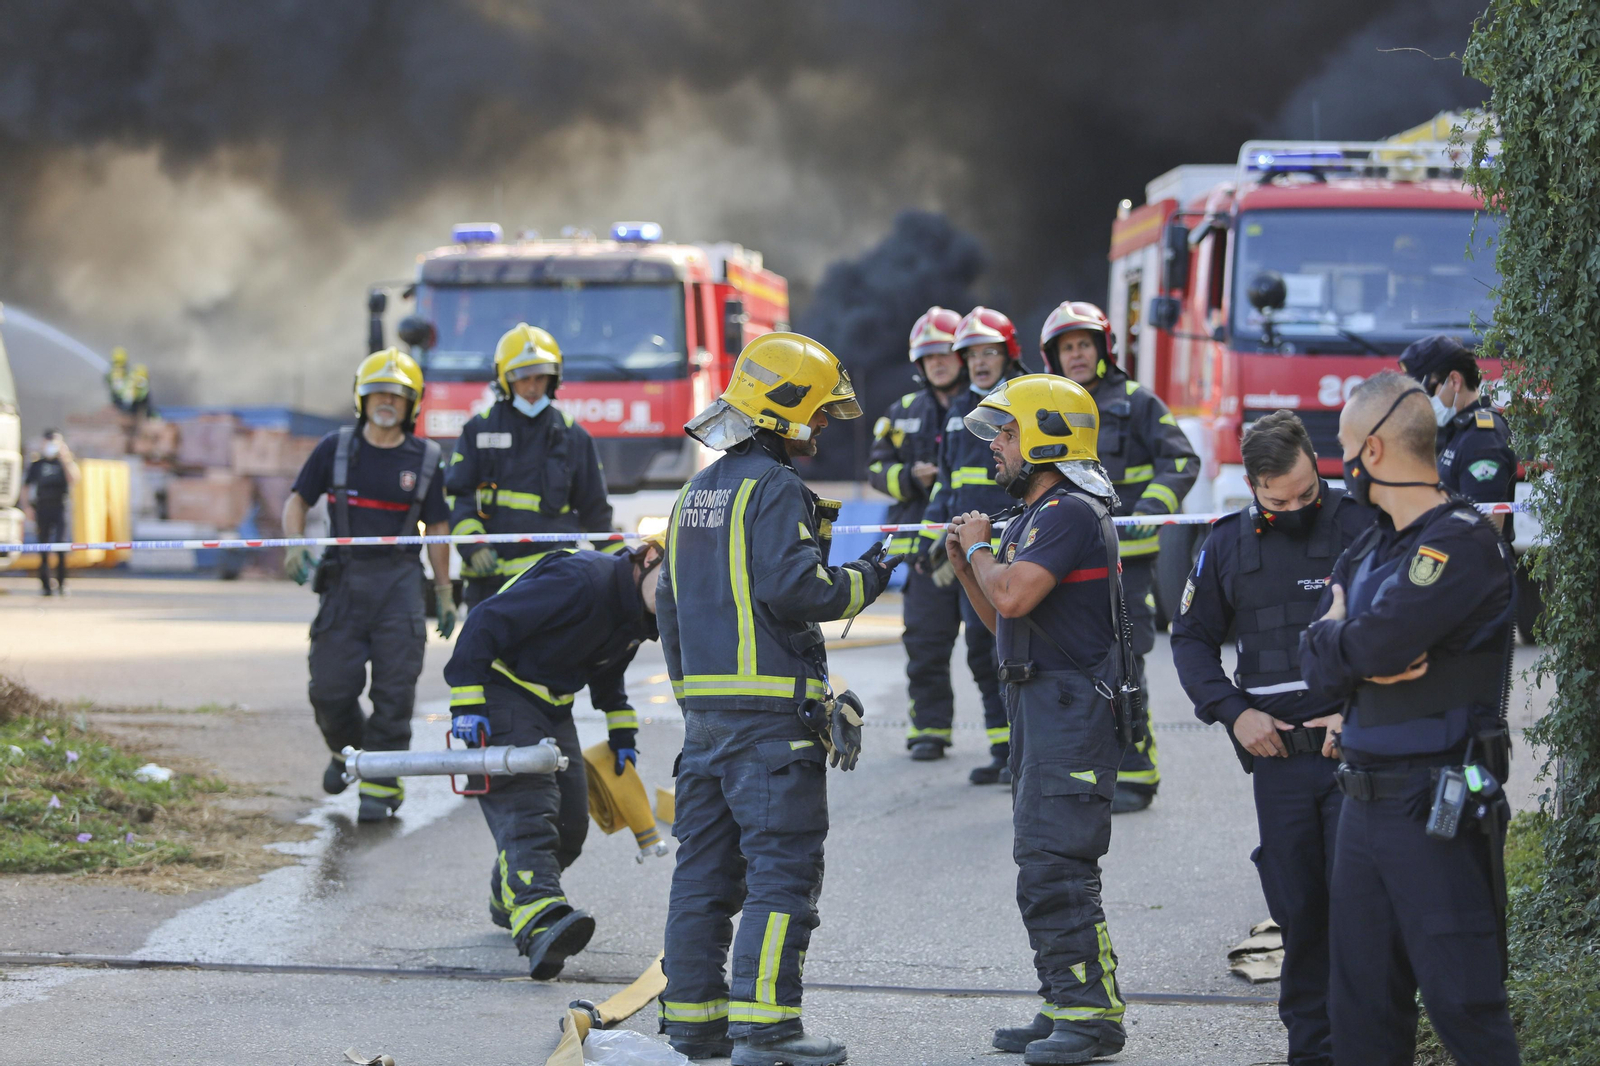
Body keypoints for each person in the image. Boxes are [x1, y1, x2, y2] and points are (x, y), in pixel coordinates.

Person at [656, 332, 901, 1066]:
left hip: (704, 724)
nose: (824, 425)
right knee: (780, 875)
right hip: (769, 730)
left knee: (703, 874)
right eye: (820, 412)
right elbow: (799, 589)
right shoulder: (777, 488)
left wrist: (695, 694)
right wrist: (870, 577)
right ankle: (767, 1031)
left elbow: (667, 607)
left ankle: (695, 1023)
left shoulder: (695, 493)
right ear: (785, 407)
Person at [1300, 371, 1519, 1066]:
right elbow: (1317, 662)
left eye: (1342, 449)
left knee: (1466, 1008)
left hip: (1435, 809)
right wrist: (1350, 645)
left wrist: (1351, 642)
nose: (1340, 468)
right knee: (1360, 1015)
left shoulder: (1460, 543)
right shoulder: (1370, 547)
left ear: (1372, 452)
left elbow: (1370, 645)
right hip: (1361, 812)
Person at [1169, 411, 1372, 1066]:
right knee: (1302, 916)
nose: (1295, 510)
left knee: (1364, 915)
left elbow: (1405, 630)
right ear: (1253, 486)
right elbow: (1193, 640)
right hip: (1278, 761)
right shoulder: (1227, 542)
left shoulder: (1363, 525)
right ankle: (1311, 1053)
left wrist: (1363, 712)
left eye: (1307, 495)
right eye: (1278, 501)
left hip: (1359, 754)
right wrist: (1233, 713)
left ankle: (1369, 1048)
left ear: (1318, 466)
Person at [947, 373, 1133, 1065]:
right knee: (1040, 863)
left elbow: (1017, 594)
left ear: (1048, 435)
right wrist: (968, 565)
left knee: (1059, 866)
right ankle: (1065, 1002)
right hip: (1041, 704)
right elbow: (1002, 617)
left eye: (1008, 431)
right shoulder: (1036, 514)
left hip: (1070, 709)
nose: (996, 445)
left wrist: (981, 548)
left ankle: (1091, 1016)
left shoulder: (1068, 512)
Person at [442, 536, 664, 979]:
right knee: (529, 806)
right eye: (671, 584)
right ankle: (539, 920)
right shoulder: (580, 579)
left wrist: (621, 727)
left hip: (552, 705)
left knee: (570, 825)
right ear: (649, 558)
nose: (675, 598)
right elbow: (486, 619)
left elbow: (608, 671)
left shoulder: (638, 611)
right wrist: (466, 701)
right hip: (499, 691)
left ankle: (511, 891)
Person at [282, 349, 457, 822]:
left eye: (398, 396)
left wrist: (443, 591)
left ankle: (381, 781)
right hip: (343, 582)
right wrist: (295, 544)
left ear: (412, 405)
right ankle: (346, 753)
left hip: (399, 585)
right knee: (329, 689)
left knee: (394, 693)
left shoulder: (426, 459)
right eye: (378, 393)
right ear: (361, 398)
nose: (387, 402)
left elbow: (438, 528)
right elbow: (297, 500)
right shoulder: (335, 449)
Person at [1041, 300, 1198, 813]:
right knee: (1075, 668)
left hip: (1127, 560)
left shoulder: (1137, 401)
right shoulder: (1048, 408)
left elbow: (1181, 459)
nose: (1077, 354)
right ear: (1053, 356)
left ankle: (1138, 773)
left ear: (1103, 347)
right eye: (1068, 347)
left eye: (1084, 344)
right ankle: (1092, 771)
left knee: (1124, 666)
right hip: (1067, 561)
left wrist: (1155, 503)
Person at [920, 306, 1026, 784]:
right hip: (977, 553)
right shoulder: (964, 418)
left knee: (1026, 654)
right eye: (972, 354)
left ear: (1009, 354)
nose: (981, 362)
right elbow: (946, 488)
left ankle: (1029, 751)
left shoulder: (1029, 403)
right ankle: (1003, 750)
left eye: (990, 353)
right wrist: (930, 542)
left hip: (1025, 549)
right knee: (982, 653)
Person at [865, 306, 973, 760]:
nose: (938, 363)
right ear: (919, 365)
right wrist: (909, 477)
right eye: (929, 357)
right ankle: (929, 730)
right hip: (925, 559)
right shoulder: (901, 413)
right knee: (925, 647)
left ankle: (1005, 743)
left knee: (992, 652)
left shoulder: (989, 406)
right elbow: (875, 469)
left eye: (945, 353)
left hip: (977, 550)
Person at [446, 323, 615, 608]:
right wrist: (472, 544)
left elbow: (595, 511)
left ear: (555, 379)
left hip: (554, 580)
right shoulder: (479, 430)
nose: (533, 387)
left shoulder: (574, 436)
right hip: (490, 583)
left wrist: (622, 567)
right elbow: (456, 495)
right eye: (523, 378)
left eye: (541, 377)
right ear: (504, 380)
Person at [1400, 334, 1517, 539]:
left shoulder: (1482, 439)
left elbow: (1487, 532)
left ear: (1454, 381)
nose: (1420, 405)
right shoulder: (1460, 429)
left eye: (1424, 394)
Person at [24, 429, 79, 596]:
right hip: (42, 507)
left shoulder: (64, 463)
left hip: (60, 507)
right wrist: (26, 507)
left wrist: (65, 458)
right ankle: (45, 585)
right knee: (43, 546)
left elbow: (75, 479)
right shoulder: (37, 464)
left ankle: (62, 583)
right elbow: (26, 487)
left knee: (61, 546)